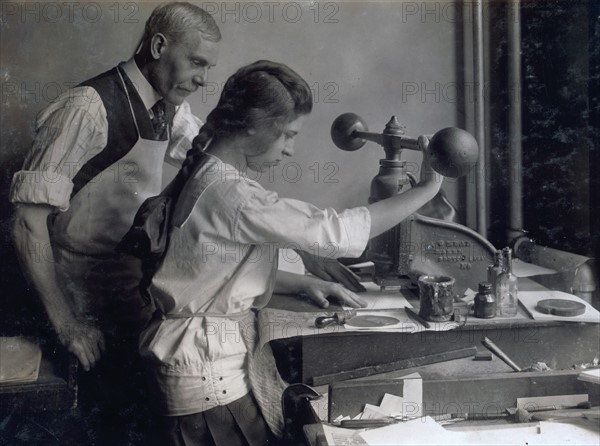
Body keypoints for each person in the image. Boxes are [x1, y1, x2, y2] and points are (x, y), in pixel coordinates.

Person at [135, 60, 443, 445]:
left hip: (195, 368)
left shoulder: (206, 173)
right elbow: (334, 231)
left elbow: (206, 273)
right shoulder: (232, 194)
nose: (291, 151)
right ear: (253, 125)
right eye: (287, 136)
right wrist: (427, 189)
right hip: (206, 379)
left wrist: (301, 281)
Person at [9, 2, 221, 443]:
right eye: (196, 61)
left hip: (127, 294)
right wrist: (68, 325)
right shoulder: (88, 108)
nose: (203, 78)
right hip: (76, 305)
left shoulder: (170, 109)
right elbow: (27, 222)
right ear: (159, 46)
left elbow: (217, 174)